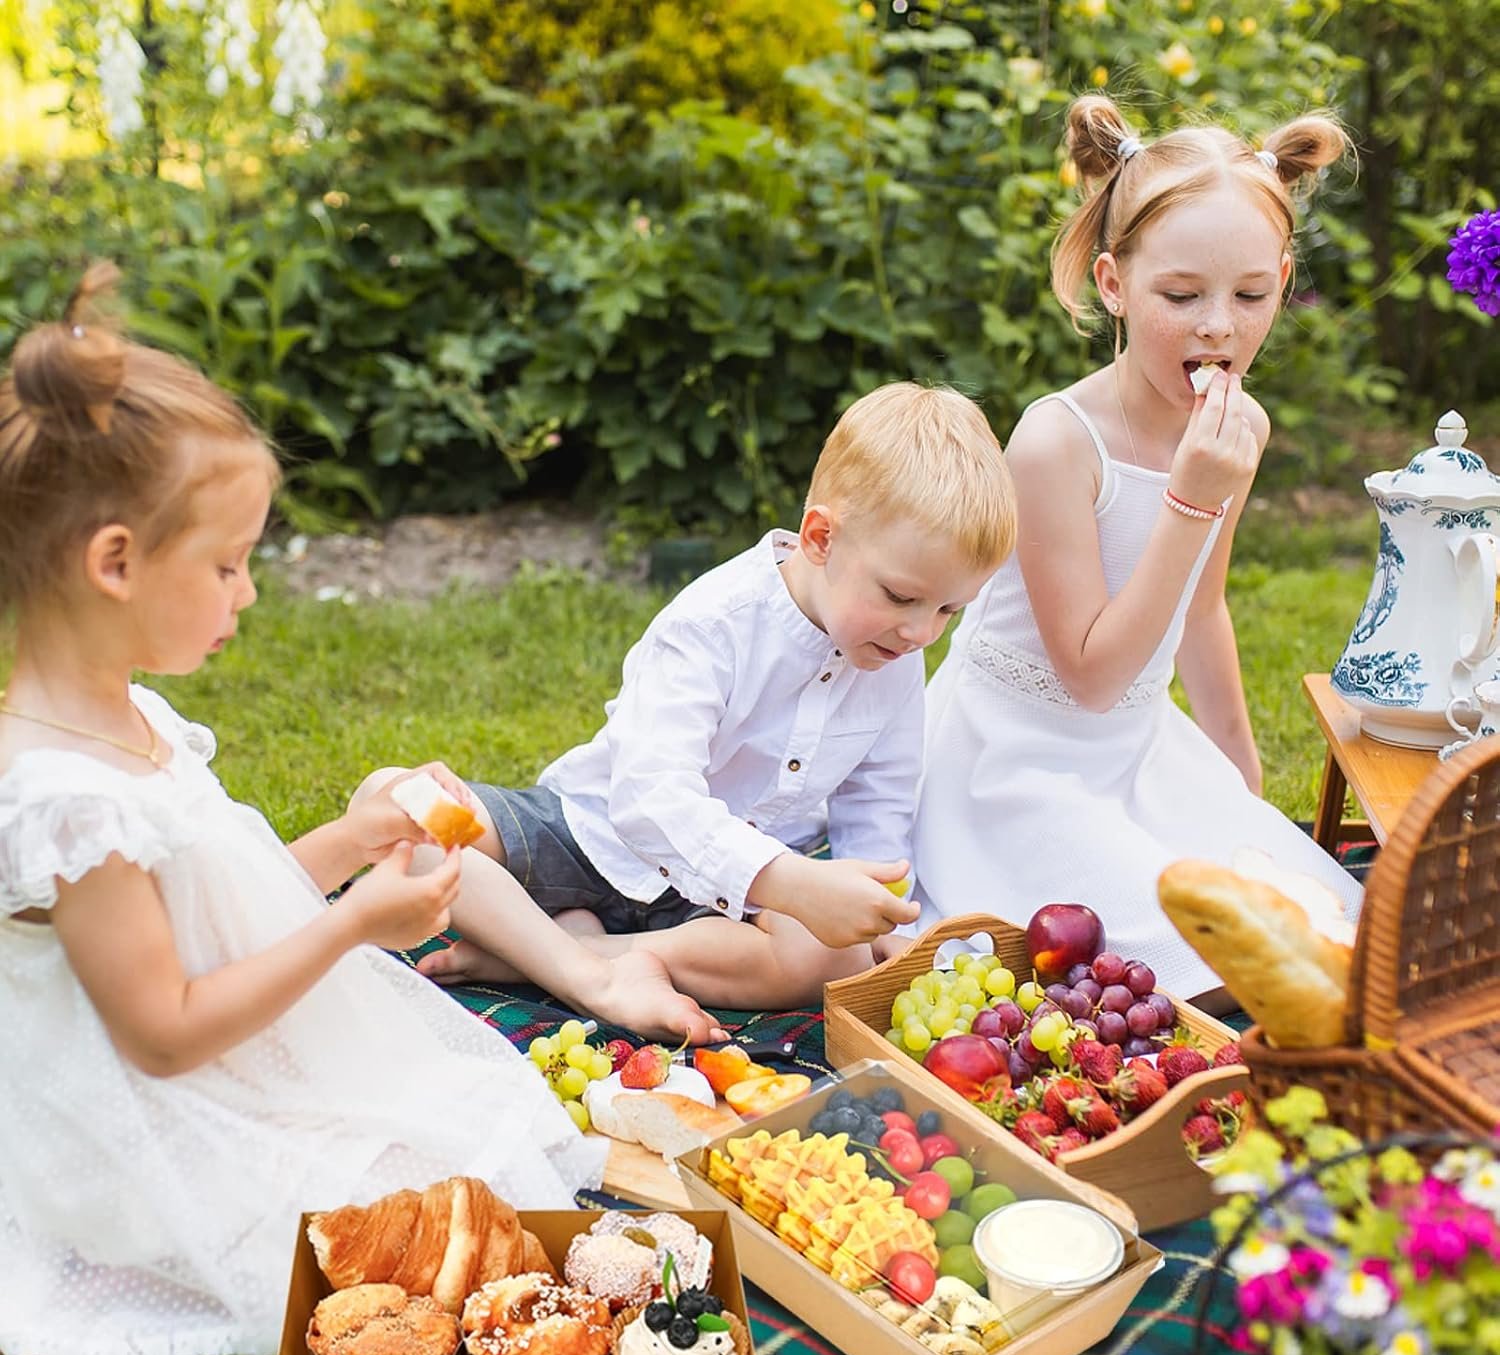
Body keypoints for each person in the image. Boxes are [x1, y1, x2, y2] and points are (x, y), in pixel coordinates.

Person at [0, 265, 612, 1355]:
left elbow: (203, 902)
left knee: (460, 1134)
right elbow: (164, 1031)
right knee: (406, 1215)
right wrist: (351, 927)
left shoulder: (128, 718)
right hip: (140, 1136)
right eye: (227, 565)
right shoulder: (68, 806)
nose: (246, 593)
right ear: (115, 563)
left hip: (220, 1068)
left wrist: (348, 843)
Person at [912, 95, 1363, 1004]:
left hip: (1138, 752)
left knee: (1328, 927)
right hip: (1016, 765)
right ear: (1114, 285)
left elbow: (1202, 607)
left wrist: (1238, 774)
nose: (1218, 327)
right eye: (1181, 296)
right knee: (1184, 963)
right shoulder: (1057, 443)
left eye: (1250, 296)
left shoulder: (1238, 428)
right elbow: (1090, 676)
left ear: (1282, 281)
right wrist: (1190, 500)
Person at [389, 382, 1016, 1010]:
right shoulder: (716, 623)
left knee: (834, 959)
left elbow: (878, 801)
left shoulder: (895, 657)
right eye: (901, 597)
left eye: (949, 610)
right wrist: (789, 882)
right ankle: (578, 965)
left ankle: (563, 951)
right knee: (406, 812)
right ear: (820, 538)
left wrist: (882, 919)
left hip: (716, 904)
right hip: (591, 837)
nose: (921, 632)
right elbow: (648, 797)